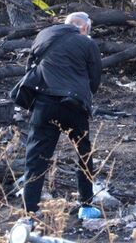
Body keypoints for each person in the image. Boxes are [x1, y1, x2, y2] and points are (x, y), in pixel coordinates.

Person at [19, 12, 104, 221]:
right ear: (84, 28)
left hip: (44, 104)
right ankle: (85, 204)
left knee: (36, 156)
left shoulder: (44, 35)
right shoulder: (87, 43)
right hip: (74, 106)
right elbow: (95, 80)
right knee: (83, 152)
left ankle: (30, 211)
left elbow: (31, 64)